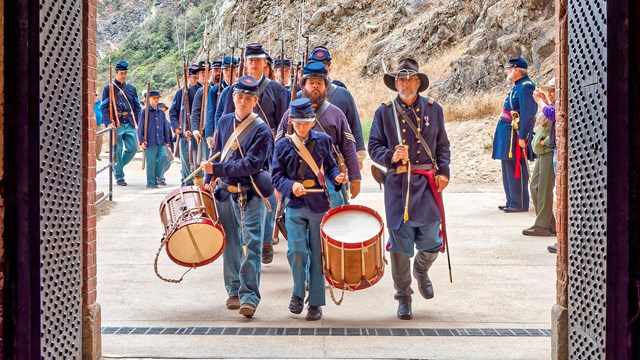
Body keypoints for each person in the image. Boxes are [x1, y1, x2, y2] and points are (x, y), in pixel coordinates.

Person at [368, 58, 451, 320]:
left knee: (432, 242)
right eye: (400, 80)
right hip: (397, 186)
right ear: (395, 84)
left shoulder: (433, 109)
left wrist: (444, 173)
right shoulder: (384, 111)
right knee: (400, 247)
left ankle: (422, 270)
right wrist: (391, 155)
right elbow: (373, 146)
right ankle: (403, 296)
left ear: (418, 82)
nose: (405, 83)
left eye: (410, 79)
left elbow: (442, 146)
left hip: (426, 185)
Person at [202, 76, 274, 318]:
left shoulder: (262, 130)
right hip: (225, 192)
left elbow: (251, 165)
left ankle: (249, 297)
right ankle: (233, 291)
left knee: (252, 245)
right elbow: (216, 153)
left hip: (251, 193)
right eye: (239, 97)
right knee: (230, 245)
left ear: (255, 101)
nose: (242, 101)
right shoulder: (224, 122)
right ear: (233, 98)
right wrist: (206, 179)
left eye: (247, 98)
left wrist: (217, 170)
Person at [271, 98, 347, 321]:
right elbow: (276, 176)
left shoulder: (323, 140)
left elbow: (331, 166)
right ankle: (297, 292)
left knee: (316, 254)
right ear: (291, 121)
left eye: (306, 122)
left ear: (312, 121)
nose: (302, 127)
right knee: (296, 251)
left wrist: (337, 178)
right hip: (295, 204)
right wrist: (290, 186)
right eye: (298, 122)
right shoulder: (283, 144)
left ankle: (315, 303)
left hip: (318, 204)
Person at [214, 43, 290, 264]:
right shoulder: (230, 92)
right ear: (245, 63)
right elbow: (222, 119)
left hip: (271, 149)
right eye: (250, 60)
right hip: (235, 152)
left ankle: (265, 241)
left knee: (269, 195)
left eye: (258, 60)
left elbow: (285, 123)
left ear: (265, 63)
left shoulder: (277, 90)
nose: (254, 64)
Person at [276, 61, 361, 207]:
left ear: (326, 87)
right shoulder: (289, 115)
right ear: (303, 86)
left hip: (329, 175)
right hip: (296, 178)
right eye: (311, 83)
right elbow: (278, 148)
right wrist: (277, 183)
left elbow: (348, 146)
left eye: (320, 83)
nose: (315, 86)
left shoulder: (336, 114)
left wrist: (355, 178)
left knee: (333, 224)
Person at [492, 57, 537, 212]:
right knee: (507, 165)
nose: (507, 71)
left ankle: (520, 203)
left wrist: (524, 136)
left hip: (516, 132)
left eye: (510, 68)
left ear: (517, 70)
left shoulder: (526, 86)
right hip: (507, 131)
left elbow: (528, 113)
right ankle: (511, 200)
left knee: (516, 165)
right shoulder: (517, 86)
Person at [100, 60, 141, 186]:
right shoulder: (109, 88)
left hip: (128, 122)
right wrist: (108, 122)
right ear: (116, 73)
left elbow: (137, 107)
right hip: (116, 123)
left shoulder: (131, 88)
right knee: (117, 150)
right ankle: (119, 176)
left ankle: (117, 167)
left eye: (125, 73)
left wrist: (138, 122)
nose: (124, 75)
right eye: (121, 73)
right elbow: (103, 107)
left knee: (133, 148)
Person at [137, 90, 172, 188]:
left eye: (157, 98)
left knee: (164, 157)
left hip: (160, 140)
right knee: (151, 162)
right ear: (149, 99)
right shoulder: (144, 112)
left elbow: (165, 126)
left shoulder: (160, 112)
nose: (156, 100)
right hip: (150, 140)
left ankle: (157, 175)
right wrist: (142, 140)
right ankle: (151, 182)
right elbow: (140, 128)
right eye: (154, 98)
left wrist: (167, 140)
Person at [204, 56, 239, 150]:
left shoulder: (242, 87)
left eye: (231, 69)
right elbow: (211, 113)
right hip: (222, 129)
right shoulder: (215, 90)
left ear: (236, 70)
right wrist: (209, 135)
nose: (228, 72)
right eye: (225, 69)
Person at [94, 91, 104, 161]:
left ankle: (97, 154)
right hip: (90, 125)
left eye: (96, 95)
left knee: (99, 141)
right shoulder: (89, 103)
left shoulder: (100, 103)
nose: (95, 96)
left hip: (98, 125)